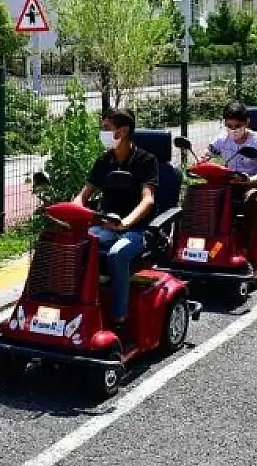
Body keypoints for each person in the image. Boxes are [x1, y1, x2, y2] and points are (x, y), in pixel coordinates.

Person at [73, 108, 158, 340]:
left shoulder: (146, 160)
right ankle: (77, 307)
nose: (103, 133)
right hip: (105, 226)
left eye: (107, 129)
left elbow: (148, 199)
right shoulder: (104, 160)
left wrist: (126, 223)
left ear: (124, 131)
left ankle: (119, 318)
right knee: (76, 245)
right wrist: (74, 212)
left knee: (116, 254)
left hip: (137, 230)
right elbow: (83, 195)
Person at [202, 102, 257, 251]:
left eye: (237, 126)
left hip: (252, 183)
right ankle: (207, 244)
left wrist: (249, 180)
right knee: (204, 197)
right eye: (229, 126)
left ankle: (247, 248)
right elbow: (205, 157)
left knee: (252, 199)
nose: (233, 130)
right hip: (229, 183)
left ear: (247, 123)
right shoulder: (222, 139)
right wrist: (201, 162)